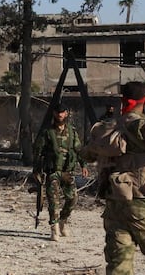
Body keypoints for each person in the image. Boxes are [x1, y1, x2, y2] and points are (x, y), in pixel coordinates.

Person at [100, 81, 145, 274]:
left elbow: (87, 153)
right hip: (142, 203)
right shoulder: (144, 126)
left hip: (115, 203)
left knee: (119, 262)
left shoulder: (108, 126)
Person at [32, 103, 89, 241]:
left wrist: (83, 165)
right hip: (52, 171)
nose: (60, 115)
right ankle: (54, 228)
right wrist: (36, 170)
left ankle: (63, 221)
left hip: (67, 172)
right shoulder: (47, 132)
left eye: (62, 112)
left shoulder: (72, 131)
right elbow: (38, 152)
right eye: (58, 113)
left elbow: (78, 150)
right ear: (54, 114)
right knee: (53, 201)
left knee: (73, 199)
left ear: (66, 114)